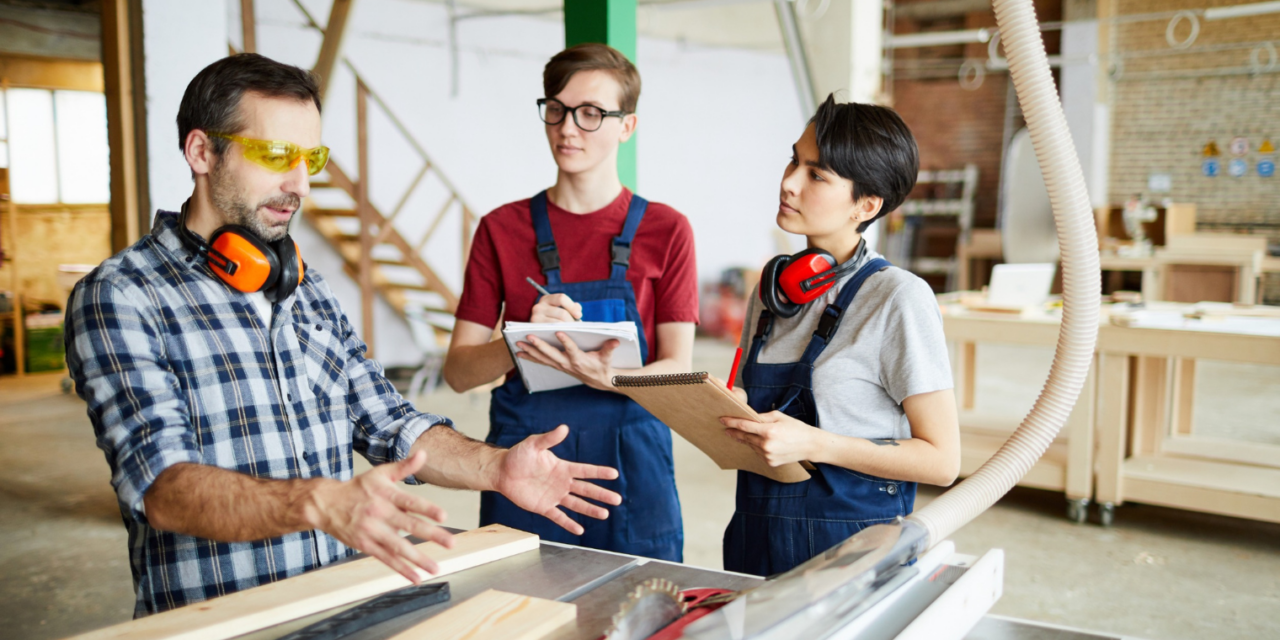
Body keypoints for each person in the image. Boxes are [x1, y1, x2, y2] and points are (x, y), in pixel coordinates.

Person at [64, 53, 621, 617]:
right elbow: (163, 489)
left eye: (311, 158)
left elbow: (390, 421)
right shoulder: (122, 297)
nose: (300, 183)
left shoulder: (308, 290)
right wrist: (319, 502)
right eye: (276, 155)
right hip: (221, 622)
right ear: (202, 152)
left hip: (336, 609)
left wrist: (495, 468)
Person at [443, 44, 698, 562]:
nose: (567, 128)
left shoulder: (667, 230)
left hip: (631, 464)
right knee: (517, 607)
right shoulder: (501, 229)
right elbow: (459, 372)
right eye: (556, 109)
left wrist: (616, 378)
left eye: (591, 113)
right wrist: (519, 340)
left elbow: (678, 367)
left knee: (640, 607)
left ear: (627, 126)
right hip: (528, 457)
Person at [718, 95, 961, 576]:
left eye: (816, 175)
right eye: (794, 160)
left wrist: (815, 444)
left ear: (867, 205)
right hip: (753, 534)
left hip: (852, 552)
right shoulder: (772, 291)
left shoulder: (896, 299)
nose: (788, 182)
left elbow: (942, 461)